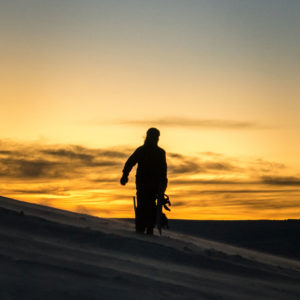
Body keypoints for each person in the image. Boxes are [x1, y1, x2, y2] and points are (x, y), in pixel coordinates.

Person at [120, 128, 168, 235]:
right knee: (143, 204)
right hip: (143, 184)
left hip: (153, 185)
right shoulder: (142, 150)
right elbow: (130, 162)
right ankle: (141, 227)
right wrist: (125, 175)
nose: (155, 139)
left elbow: (163, 170)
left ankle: (148, 227)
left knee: (149, 205)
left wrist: (163, 184)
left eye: (156, 137)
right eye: (153, 136)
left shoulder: (159, 152)